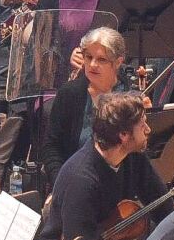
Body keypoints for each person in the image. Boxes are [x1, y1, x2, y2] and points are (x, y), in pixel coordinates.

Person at [35, 89, 167, 240]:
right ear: (123, 135)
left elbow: (164, 209)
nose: (148, 129)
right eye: (142, 124)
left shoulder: (133, 158)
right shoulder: (81, 179)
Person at [41, 26, 125, 186]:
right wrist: (61, 183)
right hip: (73, 183)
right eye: (89, 57)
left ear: (118, 62)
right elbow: (51, 147)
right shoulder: (69, 93)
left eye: (101, 60)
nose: (92, 64)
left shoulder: (128, 95)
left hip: (118, 184)